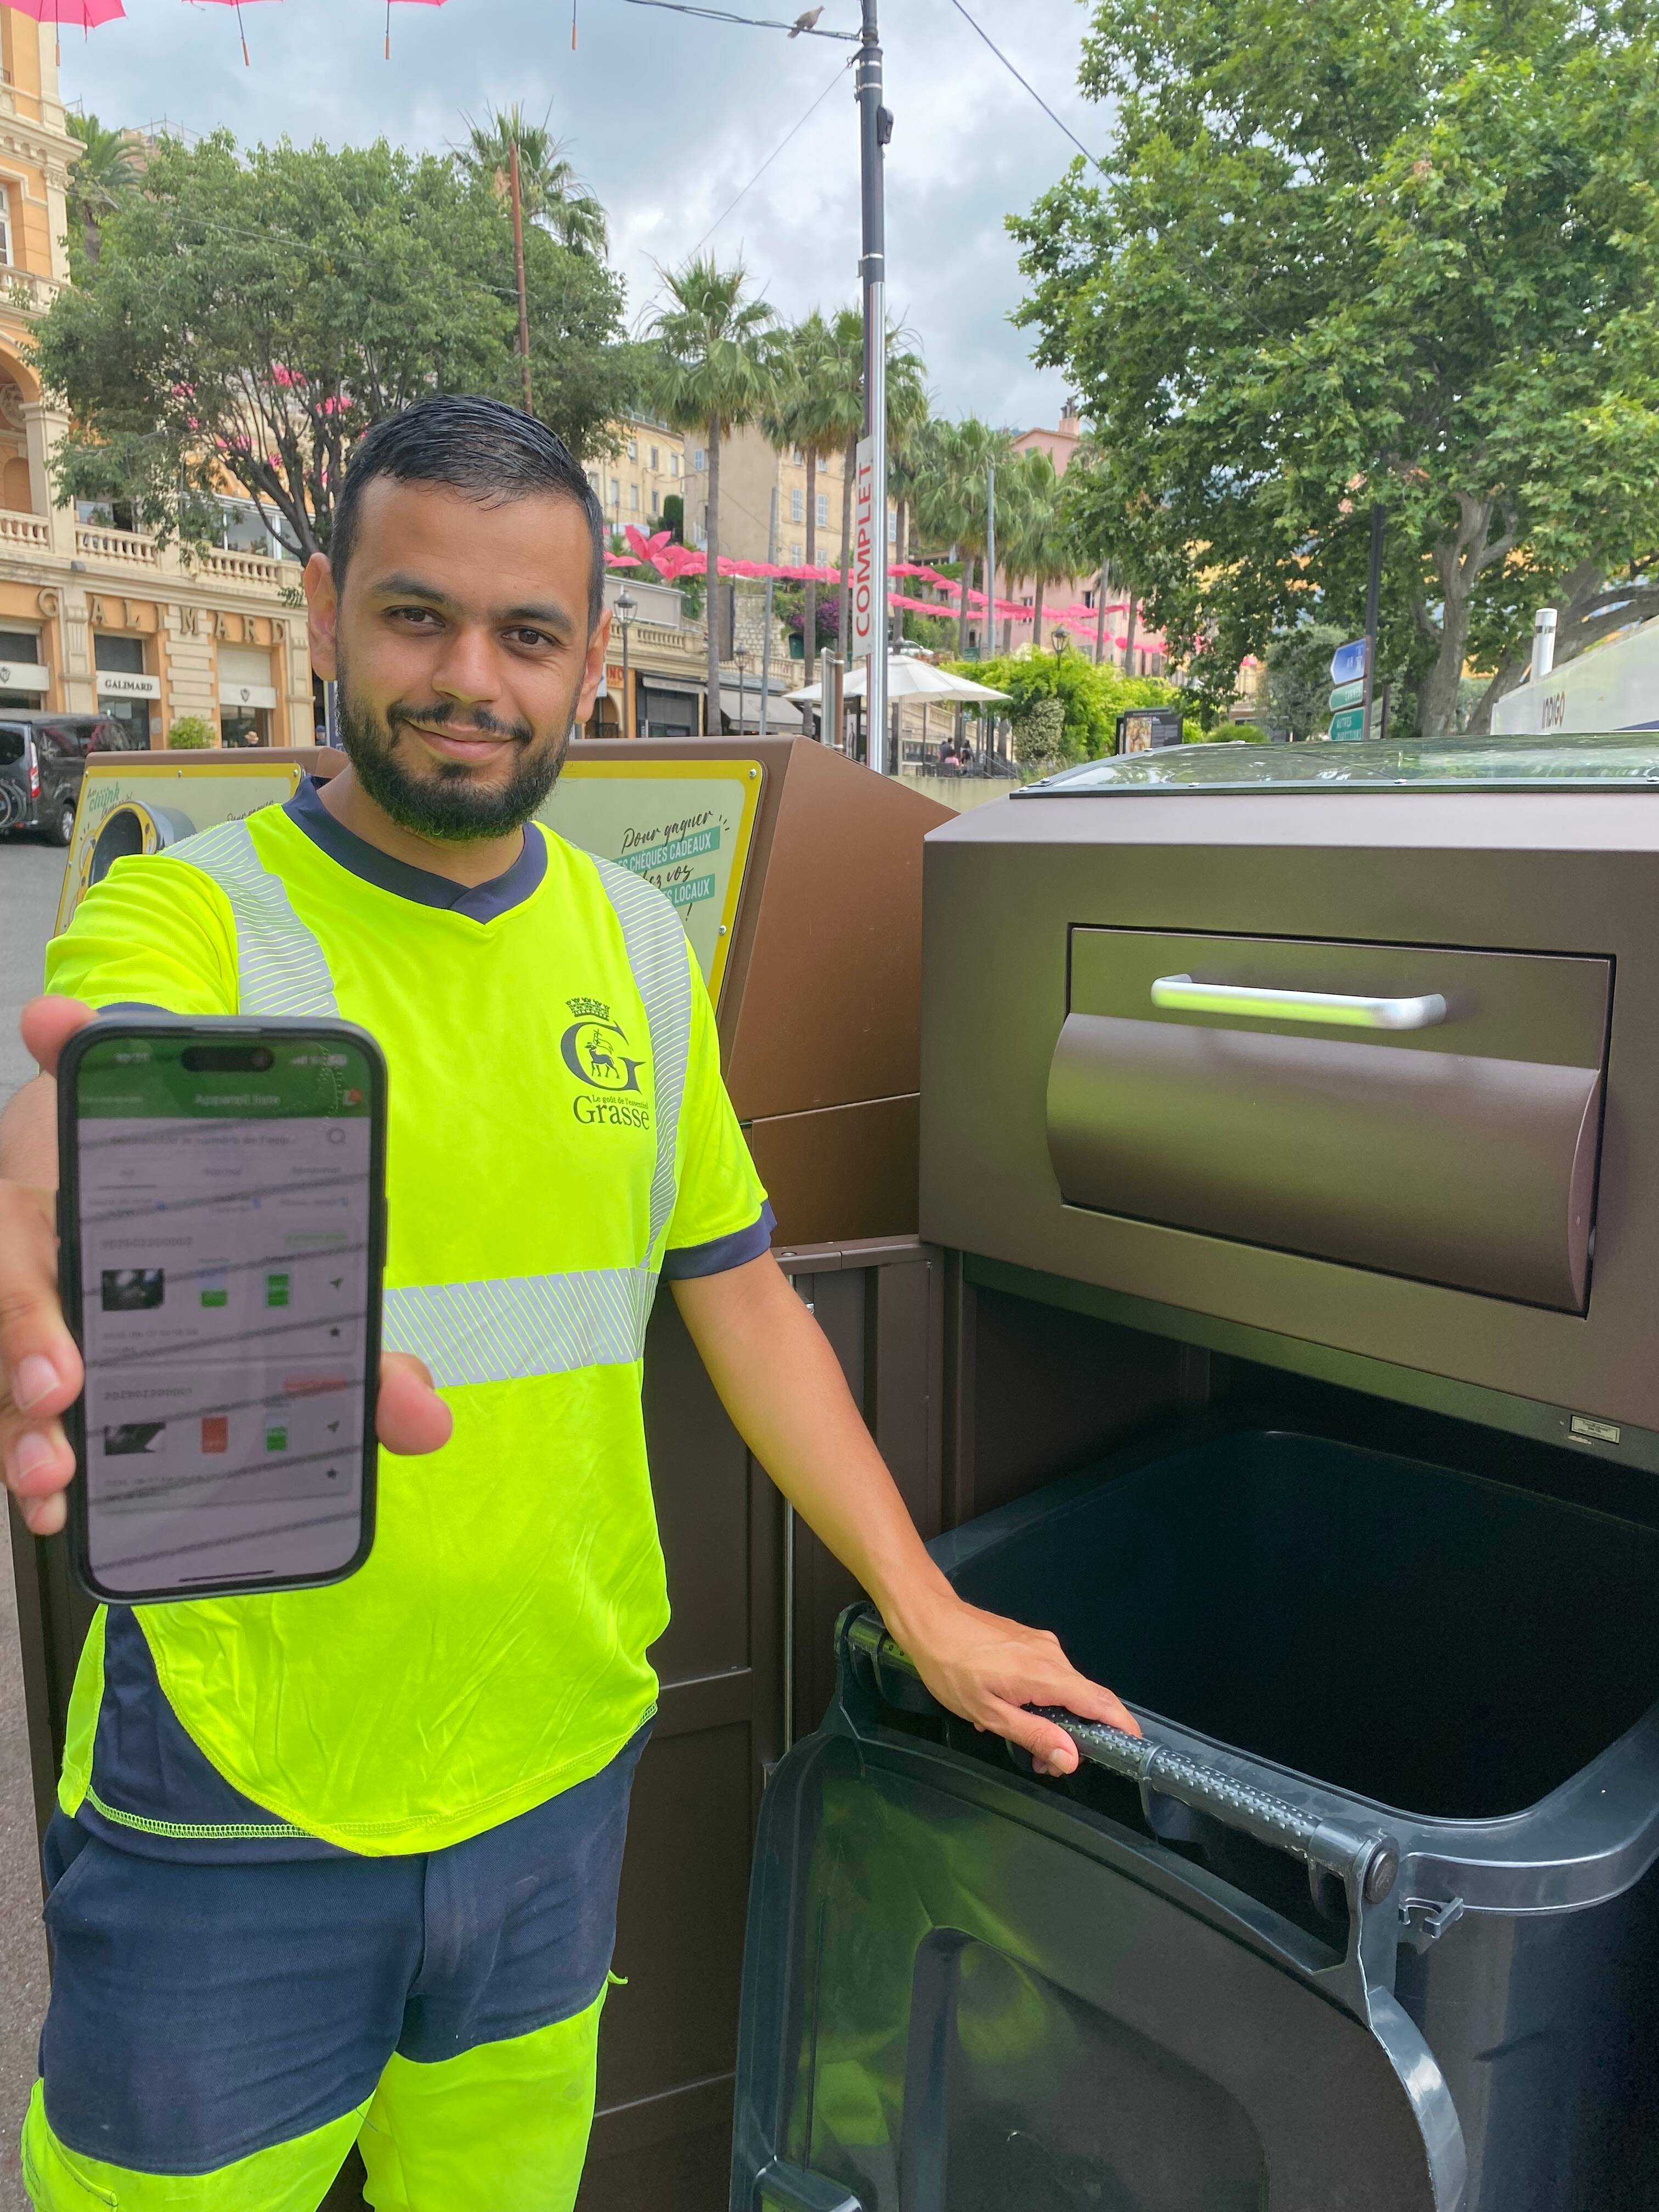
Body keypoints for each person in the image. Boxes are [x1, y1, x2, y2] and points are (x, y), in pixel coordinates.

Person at [0, 397, 1135, 2212]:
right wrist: (27, 1206)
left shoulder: (633, 944)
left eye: (528, 635)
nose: (474, 678)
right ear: (322, 609)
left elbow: (743, 1294)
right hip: (235, 1792)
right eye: (417, 617)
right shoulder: (196, 916)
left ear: (592, 659)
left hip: (550, 1780)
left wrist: (927, 1609)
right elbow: (81, 1090)